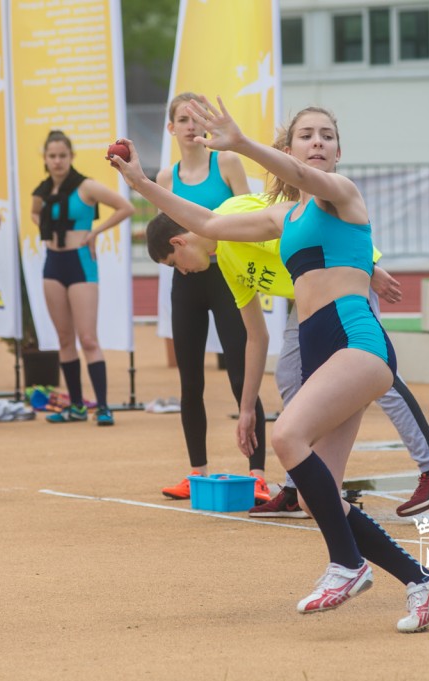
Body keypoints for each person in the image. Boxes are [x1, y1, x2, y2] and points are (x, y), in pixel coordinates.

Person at [109, 98, 429, 633]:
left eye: (327, 136)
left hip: (356, 339)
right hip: (319, 348)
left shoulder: (343, 194)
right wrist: (141, 184)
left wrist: (242, 144)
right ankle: (420, 580)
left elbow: (300, 177)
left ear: (337, 152)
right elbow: (206, 221)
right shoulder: (283, 217)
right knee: (318, 497)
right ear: (290, 146)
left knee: (288, 437)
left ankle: (347, 564)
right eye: (307, 135)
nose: (318, 143)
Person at [147, 199, 429, 519]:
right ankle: (297, 486)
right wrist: (246, 409)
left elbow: (309, 223)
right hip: (310, 298)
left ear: (179, 242)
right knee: (289, 374)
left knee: (377, 371)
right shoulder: (227, 262)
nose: (183, 272)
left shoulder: (235, 219)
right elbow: (256, 336)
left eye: (175, 264)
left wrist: (368, 267)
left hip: (346, 276)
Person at [153, 93, 270, 502]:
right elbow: (164, 234)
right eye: (182, 120)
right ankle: (195, 472)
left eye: (196, 119)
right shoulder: (166, 178)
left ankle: (257, 475)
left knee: (241, 375)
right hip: (186, 281)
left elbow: (254, 213)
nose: (190, 126)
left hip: (228, 276)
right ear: (171, 128)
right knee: (190, 382)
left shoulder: (228, 164)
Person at [30, 130, 134, 426]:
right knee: (64, 338)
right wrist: (47, 228)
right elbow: (34, 213)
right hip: (53, 263)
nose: (57, 161)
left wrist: (94, 232)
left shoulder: (86, 186)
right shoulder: (42, 190)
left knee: (87, 338)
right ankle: (76, 406)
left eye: (62, 155)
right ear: (45, 158)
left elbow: (125, 207)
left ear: (71, 156)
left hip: (80, 262)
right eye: (52, 156)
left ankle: (102, 407)